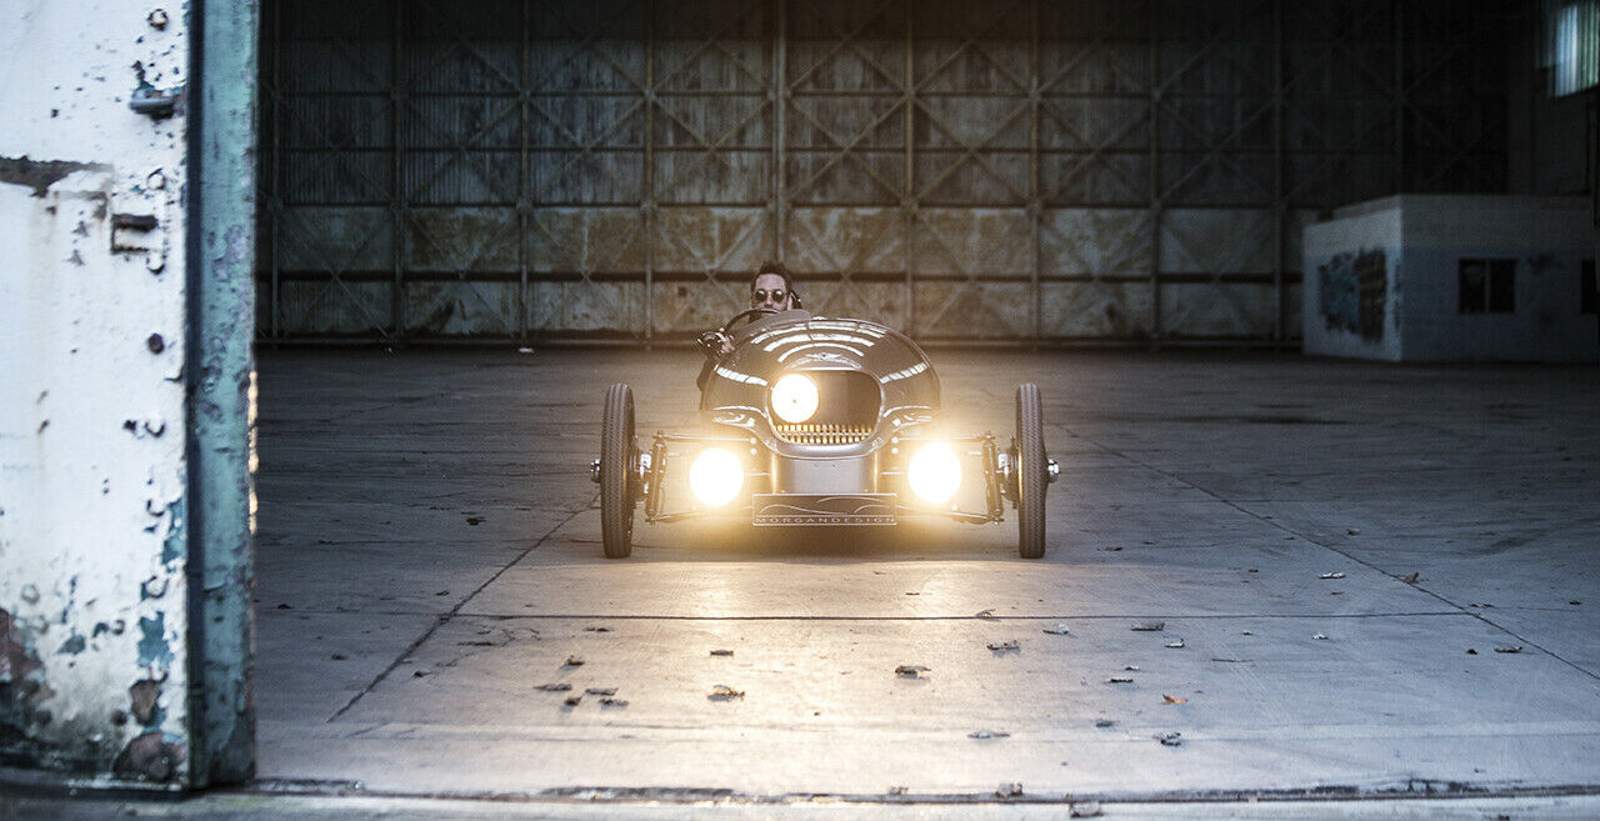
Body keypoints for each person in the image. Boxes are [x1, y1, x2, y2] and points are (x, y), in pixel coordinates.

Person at [696, 261, 803, 390]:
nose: (768, 302)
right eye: (760, 295)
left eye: (777, 295)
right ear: (751, 300)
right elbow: (703, 384)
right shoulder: (738, 344)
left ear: (789, 300)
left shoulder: (802, 341)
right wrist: (720, 359)